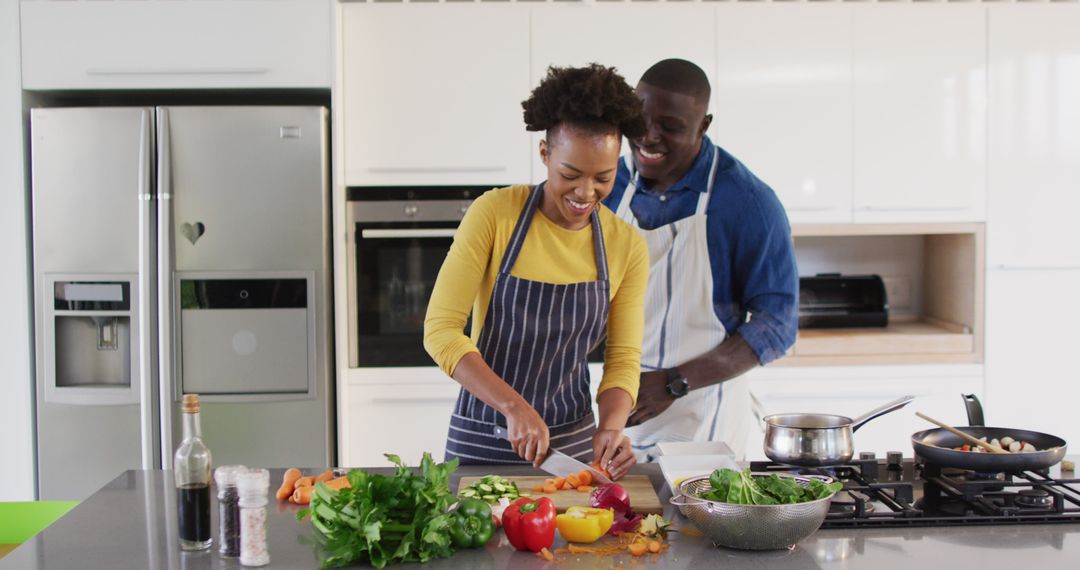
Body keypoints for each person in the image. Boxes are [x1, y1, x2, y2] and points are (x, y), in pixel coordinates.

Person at [424, 64, 650, 479]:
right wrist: (514, 406)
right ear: (545, 155)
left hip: (575, 447)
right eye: (570, 174)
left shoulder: (626, 245)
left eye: (604, 177)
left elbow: (622, 358)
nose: (585, 193)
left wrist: (613, 426)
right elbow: (440, 331)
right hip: (483, 435)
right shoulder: (495, 214)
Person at [602, 58, 799, 460]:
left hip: (705, 415)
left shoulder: (746, 202)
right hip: (617, 409)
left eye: (671, 127)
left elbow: (777, 324)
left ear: (703, 125)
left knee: (693, 522)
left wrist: (674, 383)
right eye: (640, 121)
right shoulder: (608, 182)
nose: (649, 138)